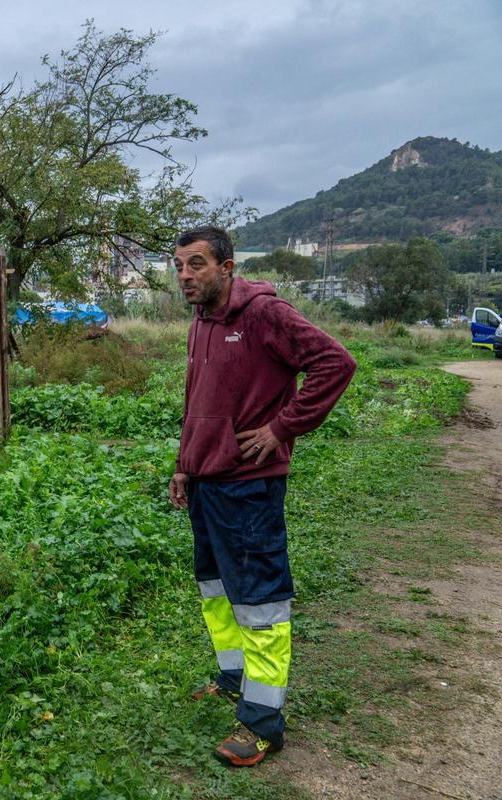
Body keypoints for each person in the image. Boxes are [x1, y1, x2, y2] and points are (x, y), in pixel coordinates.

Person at [168, 226, 356, 767]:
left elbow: (335, 363)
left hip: (249, 485)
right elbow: (196, 401)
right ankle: (234, 679)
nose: (185, 275)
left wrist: (282, 428)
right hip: (206, 481)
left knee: (259, 601)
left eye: (197, 264)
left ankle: (263, 723)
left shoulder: (265, 314)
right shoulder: (201, 321)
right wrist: (185, 465)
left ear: (227, 267)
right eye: (179, 265)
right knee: (217, 591)